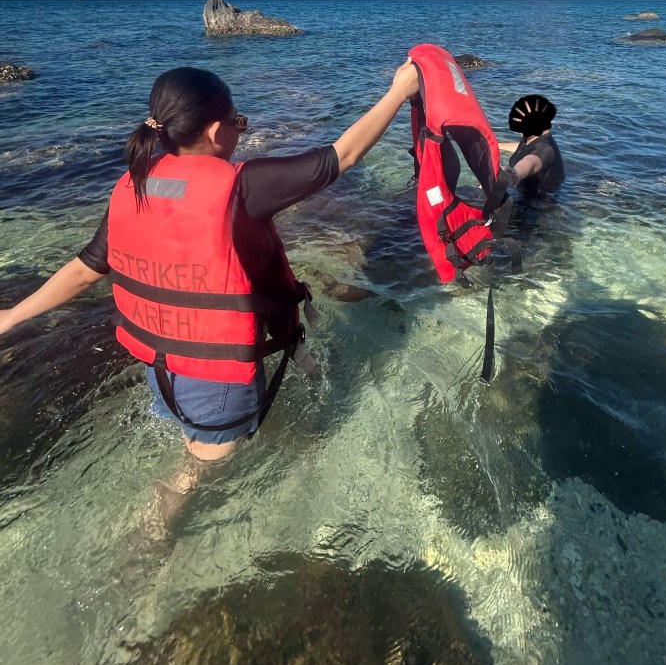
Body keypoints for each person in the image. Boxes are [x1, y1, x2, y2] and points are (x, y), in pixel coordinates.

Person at [0, 61, 420, 470]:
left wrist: (12, 316)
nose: (241, 131)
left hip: (161, 366)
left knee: (196, 442)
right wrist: (399, 91)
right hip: (216, 380)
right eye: (239, 123)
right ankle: (156, 531)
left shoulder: (137, 183)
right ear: (217, 131)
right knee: (196, 473)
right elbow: (341, 156)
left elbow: (83, 271)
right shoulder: (242, 187)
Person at [497, 93, 565, 198]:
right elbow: (522, 148)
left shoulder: (545, 149)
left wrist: (514, 174)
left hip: (536, 206)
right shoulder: (532, 137)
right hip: (522, 195)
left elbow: (530, 162)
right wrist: (497, 145)